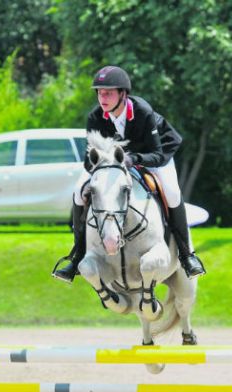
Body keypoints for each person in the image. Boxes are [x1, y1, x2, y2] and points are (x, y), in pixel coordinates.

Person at [52, 65, 206, 283]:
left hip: (154, 153)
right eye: (99, 93)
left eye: (108, 93)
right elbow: (88, 160)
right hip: (113, 162)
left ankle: (187, 255)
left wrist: (133, 159)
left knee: (171, 192)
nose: (102, 98)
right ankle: (76, 255)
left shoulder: (142, 112)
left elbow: (157, 154)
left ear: (123, 94)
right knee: (79, 192)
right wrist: (100, 160)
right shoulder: (95, 117)